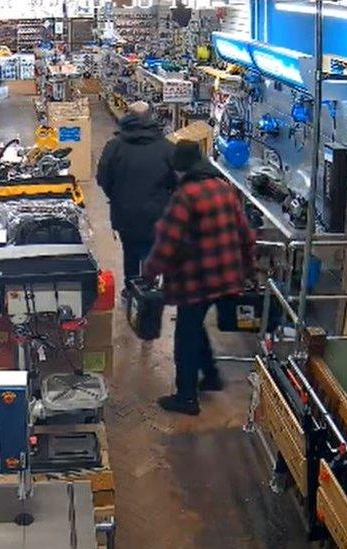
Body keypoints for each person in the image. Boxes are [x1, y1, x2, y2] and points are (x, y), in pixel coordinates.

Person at [143, 140, 257, 416]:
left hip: (196, 280)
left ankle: (186, 397)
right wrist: (249, 270)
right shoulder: (225, 188)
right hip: (227, 276)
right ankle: (212, 376)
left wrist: (150, 271)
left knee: (185, 335)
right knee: (194, 327)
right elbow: (246, 235)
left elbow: (167, 242)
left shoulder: (186, 195)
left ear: (181, 169)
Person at [96, 101, 176, 280]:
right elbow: (176, 182)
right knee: (151, 253)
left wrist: (117, 196)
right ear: (151, 116)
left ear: (128, 115)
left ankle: (131, 289)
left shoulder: (114, 147)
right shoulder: (167, 148)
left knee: (130, 252)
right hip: (156, 214)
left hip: (125, 213)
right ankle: (149, 292)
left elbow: (102, 178)